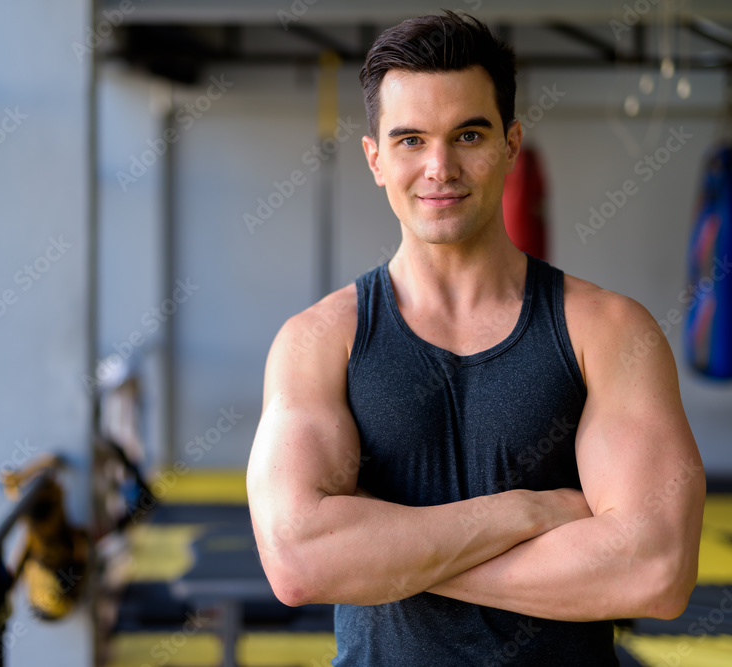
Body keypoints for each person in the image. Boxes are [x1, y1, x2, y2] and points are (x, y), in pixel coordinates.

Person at [245, 10, 705, 666]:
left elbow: (655, 572)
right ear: (374, 158)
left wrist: (382, 557)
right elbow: (297, 562)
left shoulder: (607, 331)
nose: (440, 167)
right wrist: (532, 512)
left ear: (511, 144)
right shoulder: (317, 343)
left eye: (468, 134)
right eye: (410, 140)